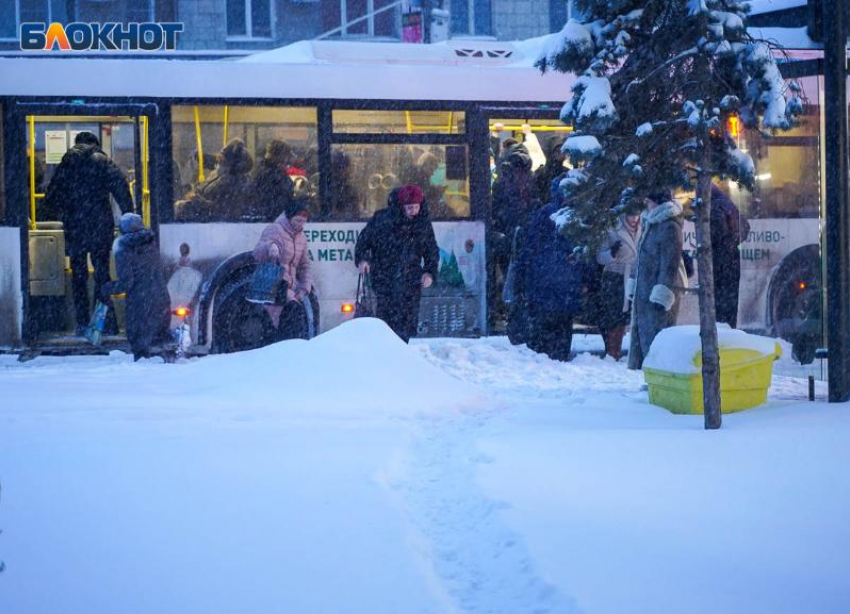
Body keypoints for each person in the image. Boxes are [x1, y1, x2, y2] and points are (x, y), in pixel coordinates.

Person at [44, 131, 133, 335]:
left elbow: (50, 196)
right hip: (100, 226)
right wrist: (130, 217)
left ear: (77, 144)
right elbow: (122, 189)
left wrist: (66, 208)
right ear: (95, 144)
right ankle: (102, 324)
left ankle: (81, 323)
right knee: (102, 275)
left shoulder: (66, 163)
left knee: (79, 276)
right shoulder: (103, 161)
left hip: (75, 227)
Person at [354, 184, 439, 343]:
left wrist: (429, 272)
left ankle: (401, 354)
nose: (413, 211)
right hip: (384, 278)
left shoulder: (423, 223)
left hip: (411, 280)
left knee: (406, 324)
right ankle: (386, 354)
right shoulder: (382, 219)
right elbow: (364, 241)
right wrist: (363, 259)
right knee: (385, 322)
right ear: (401, 206)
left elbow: (431, 251)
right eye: (409, 207)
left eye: (416, 207)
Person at [514, 188, 585, 361]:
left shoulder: (543, 214)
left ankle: (541, 355)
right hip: (565, 283)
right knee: (563, 324)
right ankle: (559, 356)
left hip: (541, 281)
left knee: (542, 324)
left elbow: (527, 249)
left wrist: (521, 281)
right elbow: (581, 252)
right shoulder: (575, 216)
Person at [100, 213, 172, 361]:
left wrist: (108, 288)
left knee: (140, 349)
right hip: (161, 298)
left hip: (140, 303)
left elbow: (127, 282)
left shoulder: (123, 248)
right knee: (158, 347)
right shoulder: (151, 242)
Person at [627, 189, 686, 370]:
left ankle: (658, 377)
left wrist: (662, 292)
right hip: (646, 291)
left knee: (656, 338)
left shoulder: (668, 226)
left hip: (656, 293)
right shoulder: (651, 223)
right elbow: (641, 258)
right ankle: (651, 376)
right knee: (646, 337)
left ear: (657, 203)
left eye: (649, 201)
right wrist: (634, 281)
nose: (646, 204)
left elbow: (670, 262)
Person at [252, 196, 314, 340]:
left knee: (286, 327)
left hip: (289, 290)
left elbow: (304, 266)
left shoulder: (301, 238)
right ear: (289, 217)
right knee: (290, 320)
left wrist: (304, 289)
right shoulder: (275, 230)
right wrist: (270, 247)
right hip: (274, 287)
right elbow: (257, 252)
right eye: (298, 221)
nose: (301, 225)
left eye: (304, 222)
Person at [596, 207, 642, 360]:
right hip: (614, 277)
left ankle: (617, 351)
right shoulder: (612, 228)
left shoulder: (646, 226)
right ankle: (611, 352)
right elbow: (599, 257)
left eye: (637, 214)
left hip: (633, 277)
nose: (635, 219)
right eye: (631, 215)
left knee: (624, 318)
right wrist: (612, 253)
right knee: (613, 317)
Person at [180, 138, 254, 221]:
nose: (218, 164)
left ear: (230, 165)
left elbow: (224, 210)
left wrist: (198, 202)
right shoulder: (220, 175)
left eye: (221, 162)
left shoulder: (233, 183)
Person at [710, 183, 750, 328]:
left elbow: (716, 234)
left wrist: (724, 245)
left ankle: (721, 341)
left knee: (719, 310)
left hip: (720, 263)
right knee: (729, 308)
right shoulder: (727, 203)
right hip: (732, 261)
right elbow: (745, 227)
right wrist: (733, 243)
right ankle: (728, 335)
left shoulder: (714, 206)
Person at [251, 139, 296, 222]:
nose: (288, 161)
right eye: (286, 157)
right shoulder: (273, 176)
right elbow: (279, 205)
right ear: (279, 157)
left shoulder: (260, 171)